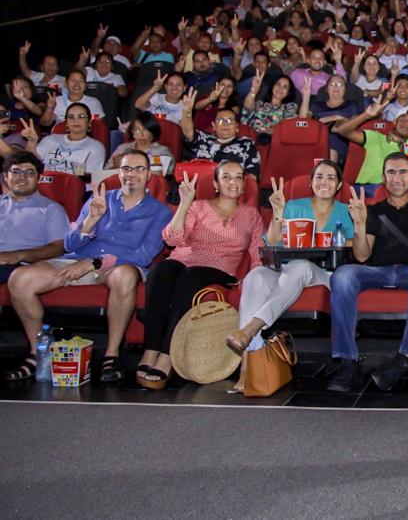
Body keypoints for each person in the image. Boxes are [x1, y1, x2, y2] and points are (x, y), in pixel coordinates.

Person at [5, 150, 171, 382]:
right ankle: (37, 354)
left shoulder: (160, 212)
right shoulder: (100, 199)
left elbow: (143, 256)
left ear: (149, 175)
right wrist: (91, 219)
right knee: (20, 279)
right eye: (126, 169)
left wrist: (94, 263)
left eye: (139, 169)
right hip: (76, 259)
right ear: (119, 173)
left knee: (125, 276)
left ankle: (111, 355)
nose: (131, 174)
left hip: (116, 267)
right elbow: (69, 244)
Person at [136, 161, 263, 390]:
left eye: (238, 177)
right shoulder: (198, 206)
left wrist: (253, 280)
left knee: (191, 276)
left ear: (244, 184)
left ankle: (167, 356)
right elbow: (172, 240)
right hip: (184, 260)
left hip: (220, 269)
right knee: (161, 270)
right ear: (215, 184)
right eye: (226, 177)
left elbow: (257, 254)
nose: (233, 182)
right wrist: (185, 204)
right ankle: (150, 350)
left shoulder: (251, 215)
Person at [230, 161, 355, 391]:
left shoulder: (346, 210)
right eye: (319, 177)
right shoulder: (293, 206)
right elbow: (272, 242)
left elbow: (356, 245)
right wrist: (278, 214)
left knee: (301, 266)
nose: (324, 182)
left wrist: (326, 241)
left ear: (339, 185)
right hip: (285, 269)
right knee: (255, 276)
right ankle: (248, 367)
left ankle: (252, 327)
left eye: (330, 178)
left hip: (324, 273)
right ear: (310, 182)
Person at [327, 153, 408, 393]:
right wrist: (360, 226)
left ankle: (404, 359)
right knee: (342, 275)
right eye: (391, 172)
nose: (396, 178)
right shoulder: (373, 210)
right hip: (378, 271)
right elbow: (362, 256)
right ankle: (348, 361)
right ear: (383, 177)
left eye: (402, 172)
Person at [0, 152, 69, 289]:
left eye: (30, 173)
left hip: (22, 265)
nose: (22, 177)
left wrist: (19, 255)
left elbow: (58, 248)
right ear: (6, 177)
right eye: (15, 172)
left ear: (39, 178)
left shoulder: (51, 209)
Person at [333, 96, 408, 195]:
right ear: (394, 122)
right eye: (402, 120)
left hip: (395, 191)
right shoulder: (375, 137)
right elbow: (343, 131)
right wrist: (366, 115)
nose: (406, 124)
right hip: (367, 189)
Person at [180, 91, 261, 180]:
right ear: (213, 125)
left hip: (231, 186)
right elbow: (188, 132)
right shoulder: (203, 138)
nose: (225, 124)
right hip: (198, 184)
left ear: (236, 126)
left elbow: (252, 174)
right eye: (221, 121)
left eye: (230, 121)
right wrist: (186, 113)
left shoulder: (247, 144)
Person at [26, 103, 105, 175]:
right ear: (66, 122)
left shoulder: (95, 147)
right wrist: (31, 142)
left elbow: (89, 179)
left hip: (72, 184)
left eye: (81, 116)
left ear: (89, 121)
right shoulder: (50, 140)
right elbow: (30, 162)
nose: (76, 120)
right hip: (43, 182)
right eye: (71, 117)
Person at [106, 111, 175, 175]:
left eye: (145, 130)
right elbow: (106, 172)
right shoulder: (122, 148)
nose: (141, 134)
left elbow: (170, 173)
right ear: (133, 132)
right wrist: (116, 166)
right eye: (137, 130)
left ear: (153, 132)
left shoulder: (162, 151)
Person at [40, 70, 105, 126]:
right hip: (60, 135)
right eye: (73, 80)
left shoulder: (93, 102)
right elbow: (45, 123)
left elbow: (97, 125)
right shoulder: (58, 101)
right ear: (66, 84)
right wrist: (50, 108)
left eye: (81, 81)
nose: (77, 84)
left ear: (85, 85)